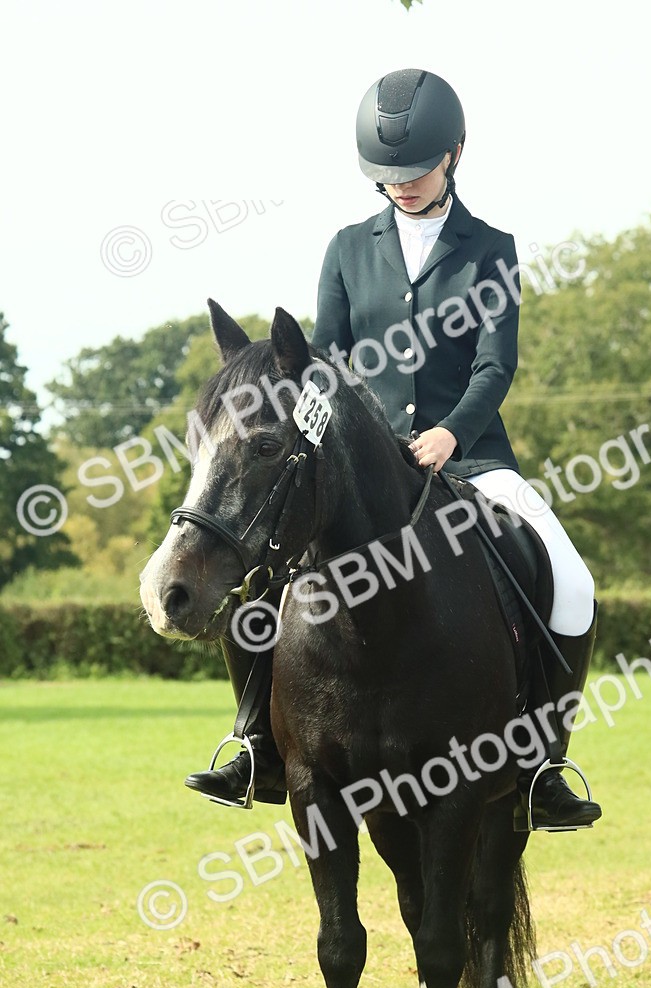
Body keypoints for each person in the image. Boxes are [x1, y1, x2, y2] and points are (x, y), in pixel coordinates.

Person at [185, 68, 600, 831]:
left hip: (470, 457)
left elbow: (494, 365)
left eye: (415, 171)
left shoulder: (491, 250)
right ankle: (253, 744)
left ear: (455, 156)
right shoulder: (347, 249)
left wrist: (452, 433)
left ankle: (543, 763)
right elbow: (325, 360)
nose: (401, 186)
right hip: (362, 465)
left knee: (571, 583)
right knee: (262, 582)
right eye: (386, 175)